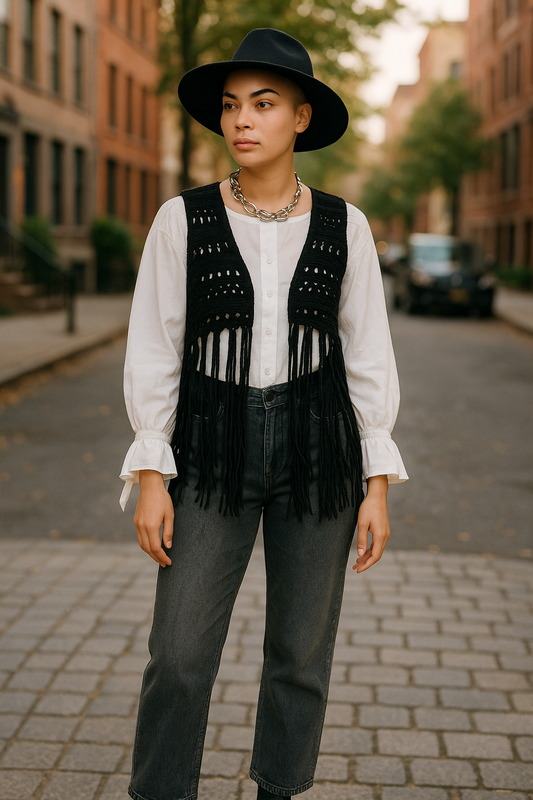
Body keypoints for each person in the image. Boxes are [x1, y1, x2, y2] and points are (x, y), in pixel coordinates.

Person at [120, 27, 408, 800]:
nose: (242, 120)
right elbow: (154, 346)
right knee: (179, 655)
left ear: (301, 118)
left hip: (320, 457)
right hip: (208, 451)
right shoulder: (181, 220)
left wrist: (376, 483)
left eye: (263, 103)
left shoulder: (345, 226)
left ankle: (279, 789)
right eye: (230, 105)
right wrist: (151, 472)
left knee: (299, 655)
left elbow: (367, 353)